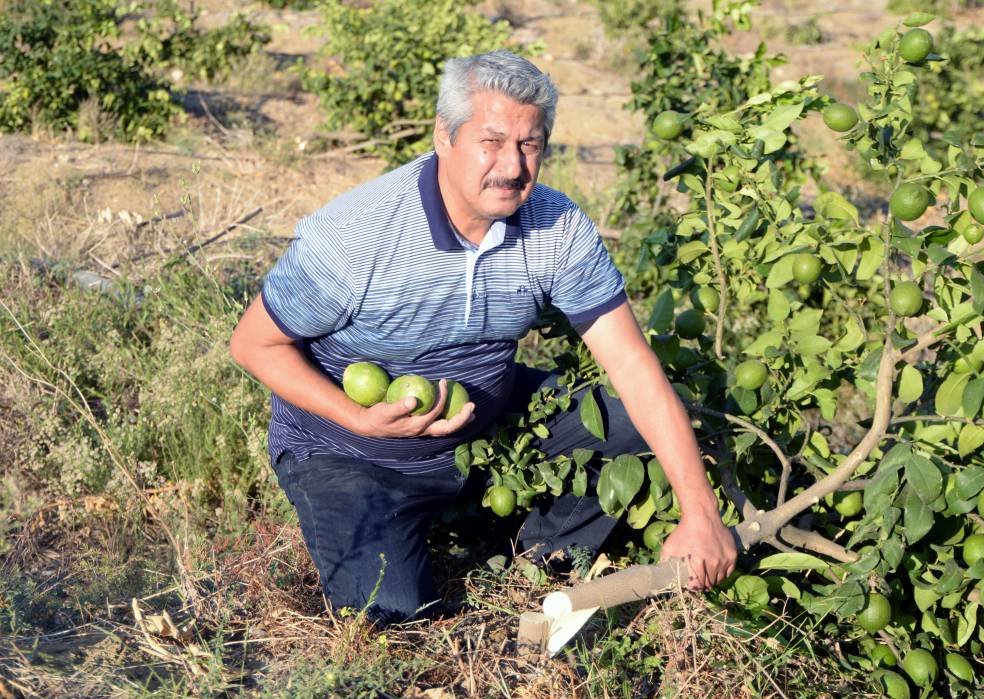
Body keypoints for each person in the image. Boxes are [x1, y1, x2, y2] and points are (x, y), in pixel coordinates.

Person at [230, 50, 736, 624]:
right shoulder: (357, 234)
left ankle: (542, 567)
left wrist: (702, 514)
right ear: (444, 137)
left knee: (624, 420)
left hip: (481, 429)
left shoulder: (556, 227)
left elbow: (634, 367)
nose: (512, 166)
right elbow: (253, 344)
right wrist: (358, 418)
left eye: (530, 144)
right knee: (392, 615)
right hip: (350, 452)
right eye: (491, 142)